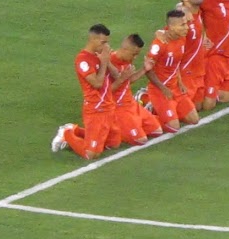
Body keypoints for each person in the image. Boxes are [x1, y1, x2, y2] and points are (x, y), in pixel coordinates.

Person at [52, 24, 118, 160]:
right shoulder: (82, 60)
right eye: (103, 42)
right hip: (95, 109)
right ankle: (67, 133)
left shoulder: (100, 55)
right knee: (91, 154)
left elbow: (117, 75)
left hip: (108, 107)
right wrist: (104, 62)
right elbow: (97, 83)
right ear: (93, 39)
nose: (106, 45)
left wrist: (107, 61)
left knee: (113, 143)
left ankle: (76, 130)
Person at [144, 10, 198, 132]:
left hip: (175, 88)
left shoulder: (181, 39)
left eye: (186, 23)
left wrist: (180, 82)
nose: (187, 27)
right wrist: (163, 88)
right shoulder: (159, 44)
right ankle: (148, 110)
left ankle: (165, 112)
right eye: (182, 25)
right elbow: (148, 70)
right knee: (173, 127)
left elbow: (176, 63)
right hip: (160, 90)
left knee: (194, 120)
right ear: (171, 27)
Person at [110, 33, 160, 146]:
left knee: (156, 131)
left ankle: (133, 121)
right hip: (117, 107)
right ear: (125, 49)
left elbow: (128, 80)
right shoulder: (109, 63)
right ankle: (112, 129)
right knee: (140, 140)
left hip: (131, 104)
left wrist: (144, 69)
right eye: (134, 54)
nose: (135, 57)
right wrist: (122, 78)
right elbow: (104, 92)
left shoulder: (127, 59)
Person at [177, 0, 208, 111]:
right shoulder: (182, 20)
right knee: (185, 112)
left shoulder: (197, 11)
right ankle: (148, 100)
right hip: (187, 70)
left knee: (199, 107)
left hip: (199, 69)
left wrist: (204, 36)